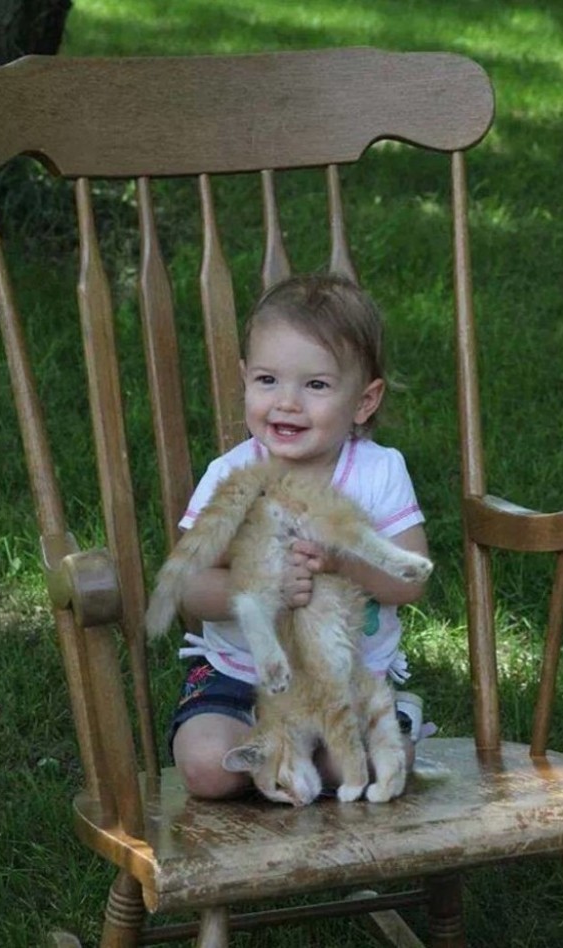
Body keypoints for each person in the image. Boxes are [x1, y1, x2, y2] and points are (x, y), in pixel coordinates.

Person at [170, 273, 430, 799]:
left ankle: (369, 723)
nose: (287, 403)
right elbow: (189, 587)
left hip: (344, 675)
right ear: (244, 379)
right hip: (240, 674)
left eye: (316, 385)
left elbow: (410, 581)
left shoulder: (378, 472)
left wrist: (343, 563)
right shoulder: (231, 475)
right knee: (205, 764)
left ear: (364, 400)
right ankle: (283, 746)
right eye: (267, 381)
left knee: (367, 766)